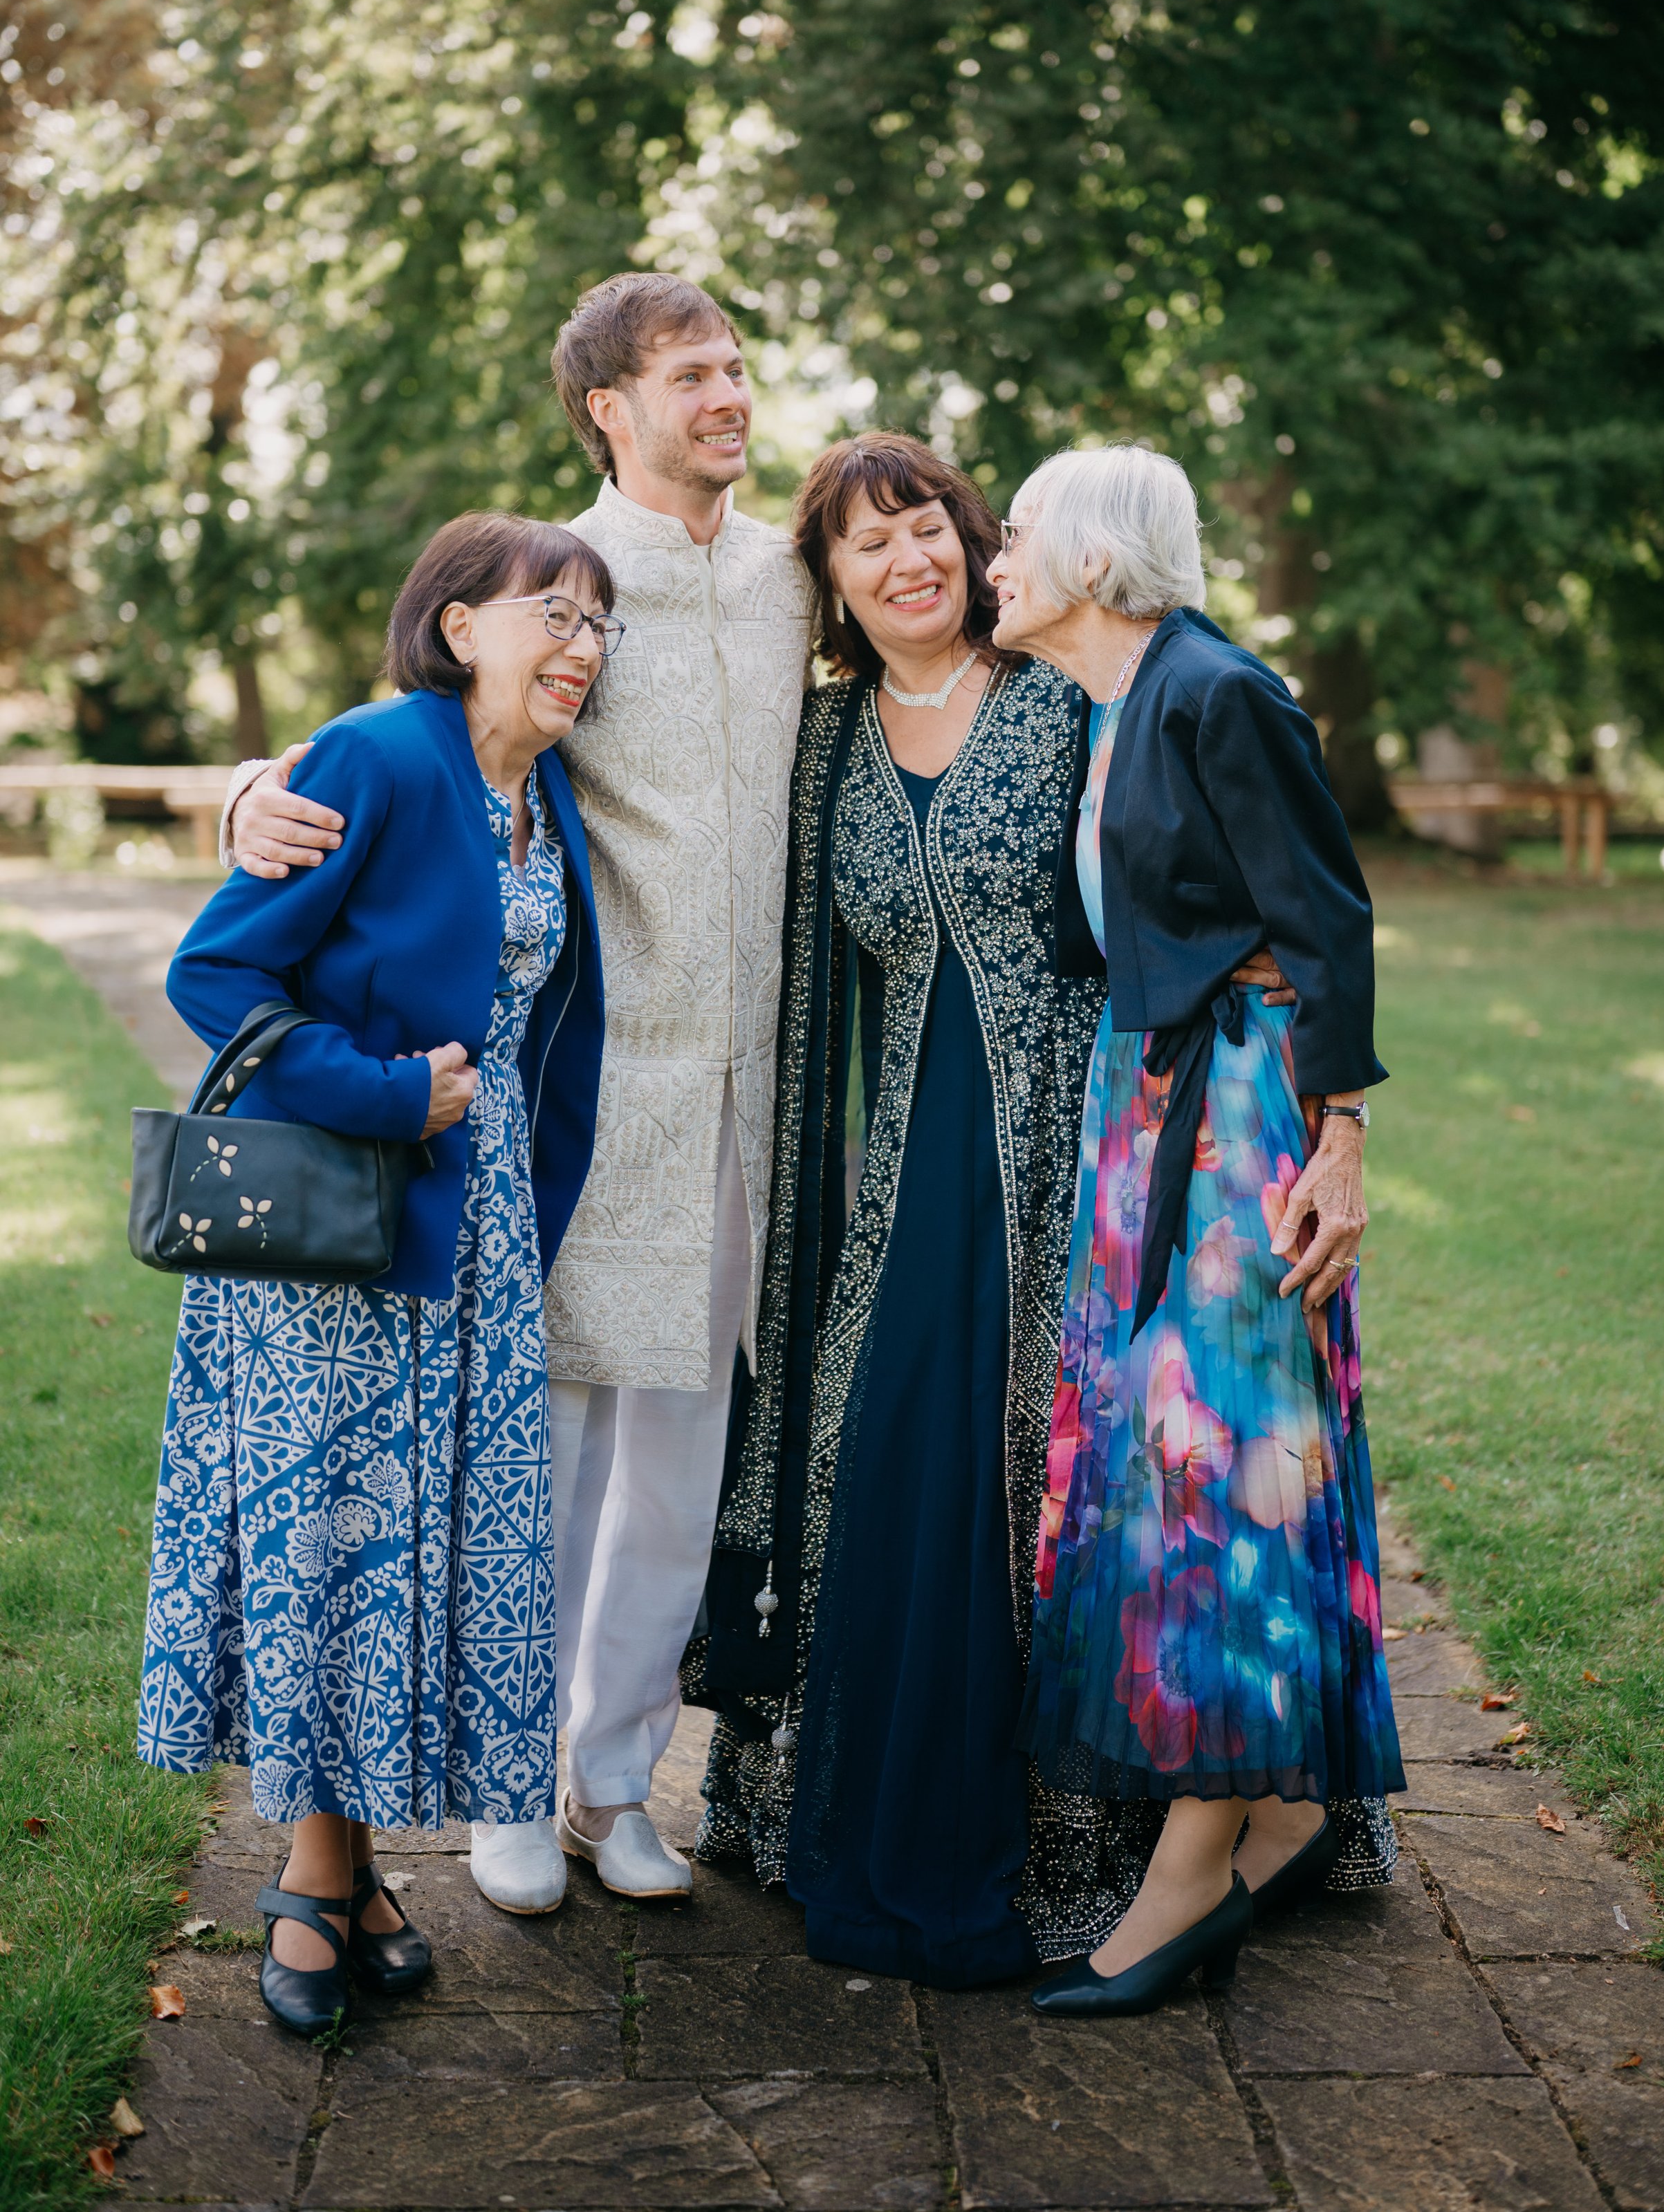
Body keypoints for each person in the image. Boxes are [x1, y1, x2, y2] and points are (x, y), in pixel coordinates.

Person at [221, 274, 816, 1912]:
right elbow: (403, 738)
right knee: (536, 1454)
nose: (729, 396)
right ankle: (501, 1773)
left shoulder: (789, 580)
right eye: (690, 373)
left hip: (746, 1096)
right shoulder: (555, 583)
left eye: (736, 368)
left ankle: (611, 1782)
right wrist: (245, 804)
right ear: (605, 409)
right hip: (571, 1089)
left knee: (682, 1460)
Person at [690, 433, 1163, 1988]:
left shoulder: (1066, 692)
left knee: (1032, 1460)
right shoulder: (818, 741)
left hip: (1066, 1150)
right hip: (892, 1164)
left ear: (972, 540)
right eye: (864, 541)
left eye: (927, 527)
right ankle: (857, 1814)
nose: (907, 558)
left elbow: (1196, 837)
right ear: (826, 582)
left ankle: (1070, 1847)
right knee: (884, 1449)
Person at [138, 510, 611, 2034]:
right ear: (460, 625)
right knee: (340, 1551)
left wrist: (523, 1218)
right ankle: (313, 1880)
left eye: (601, 623)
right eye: (556, 611)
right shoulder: (377, 754)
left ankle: (345, 1874)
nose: (584, 644)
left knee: (411, 1558)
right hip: (335, 1242)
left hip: (472, 1255)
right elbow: (215, 970)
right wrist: (389, 1093)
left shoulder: (545, 805)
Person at [988, 444, 1405, 2018]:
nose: (991, 559)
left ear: (1093, 557)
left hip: (1241, 1124)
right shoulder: (1104, 705)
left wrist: (1340, 1139)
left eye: (1015, 533)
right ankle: (1284, 1809)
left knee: (1217, 1462)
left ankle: (1192, 1866)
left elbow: (1325, 913)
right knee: (1156, 1455)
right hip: (1148, 1107)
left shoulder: (1216, 691)